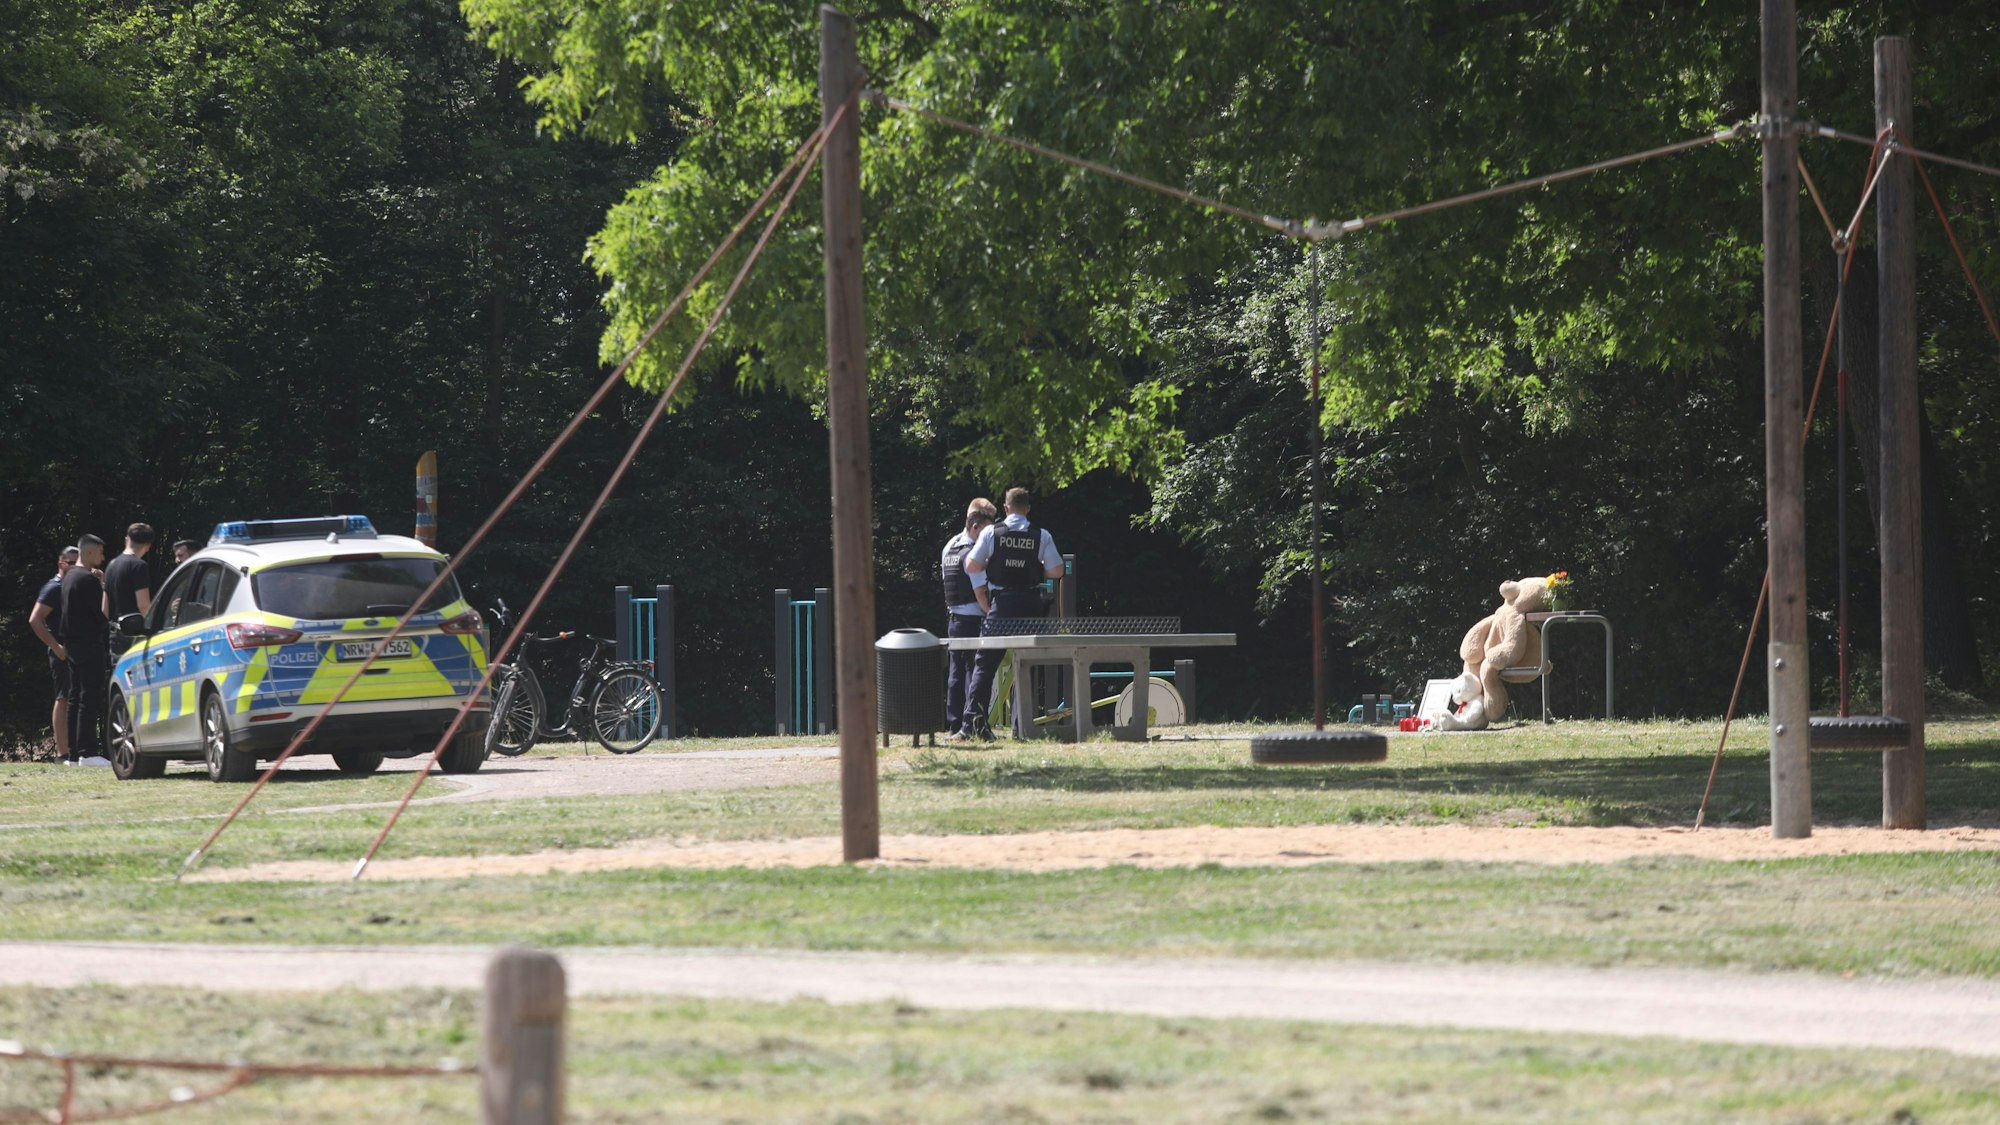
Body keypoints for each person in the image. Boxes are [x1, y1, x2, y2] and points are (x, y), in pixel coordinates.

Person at [964, 487, 1066, 740]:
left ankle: (974, 724)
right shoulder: (1040, 535)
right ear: (1028, 509)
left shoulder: (991, 532)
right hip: (1031, 606)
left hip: (1002, 605)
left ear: (1006, 508)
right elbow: (1058, 571)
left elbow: (971, 565)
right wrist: (1036, 565)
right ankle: (1022, 729)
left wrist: (993, 562)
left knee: (985, 665)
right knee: (1025, 664)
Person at [941, 498, 998, 743]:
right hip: (973, 620)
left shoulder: (949, 546)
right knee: (976, 674)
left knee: (956, 673)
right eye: (986, 530)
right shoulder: (972, 553)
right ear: (975, 526)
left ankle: (955, 725)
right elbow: (980, 592)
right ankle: (973, 723)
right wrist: (991, 614)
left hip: (954, 619)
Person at [58, 534, 112, 766]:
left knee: (75, 697)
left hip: (71, 644)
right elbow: (101, 616)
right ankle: (88, 752)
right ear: (89, 552)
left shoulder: (70, 576)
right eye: (100, 552)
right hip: (89, 643)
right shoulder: (87, 580)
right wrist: (103, 587)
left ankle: (73, 755)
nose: (102, 557)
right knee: (89, 697)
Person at [28, 546, 81, 762]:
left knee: (76, 698)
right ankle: (62, 753)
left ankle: (77, 751)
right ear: (61, 564)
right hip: (62, 652)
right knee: (64, 697)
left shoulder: (75, 586)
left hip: (78, 650)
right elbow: (35, 620)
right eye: (71, 563)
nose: (76, 567)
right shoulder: (54, 587)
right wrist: (57, 647)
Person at [102, 522, 154, 655]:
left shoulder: (111, 565)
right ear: (148, 547)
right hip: (134, 636)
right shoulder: (139, 566)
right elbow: (143, 606)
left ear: (126, 540)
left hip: (114, 634)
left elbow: (104, 608)